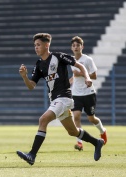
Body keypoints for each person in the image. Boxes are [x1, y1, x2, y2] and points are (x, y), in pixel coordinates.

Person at [17, 33, 104, 166]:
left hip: (64, 98)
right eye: (34, 45)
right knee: (73, 131)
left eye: (38, 45)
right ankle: (97, 142)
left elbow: (80, 66)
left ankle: (32, 155)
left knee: (43, 120)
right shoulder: (39, 64)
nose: (36, 47)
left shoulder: (58, 56)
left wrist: (87, 78)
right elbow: (31, 86)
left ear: (47, 45)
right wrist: (24, 77)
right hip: (56, 100)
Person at [69, 36, 107, 151]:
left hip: (88, 93)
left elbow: (94, 76)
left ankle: (102, 131)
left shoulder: (87, 60)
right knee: (76, 117)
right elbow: (74, 75)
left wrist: (80, 74)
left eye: (78, 45)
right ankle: (79, 143)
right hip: (76, 93)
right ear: (71, 48)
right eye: (74, 45)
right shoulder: (71, 60)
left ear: (82, 47)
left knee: (91, 119)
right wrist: (70, 80)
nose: (76, 47)